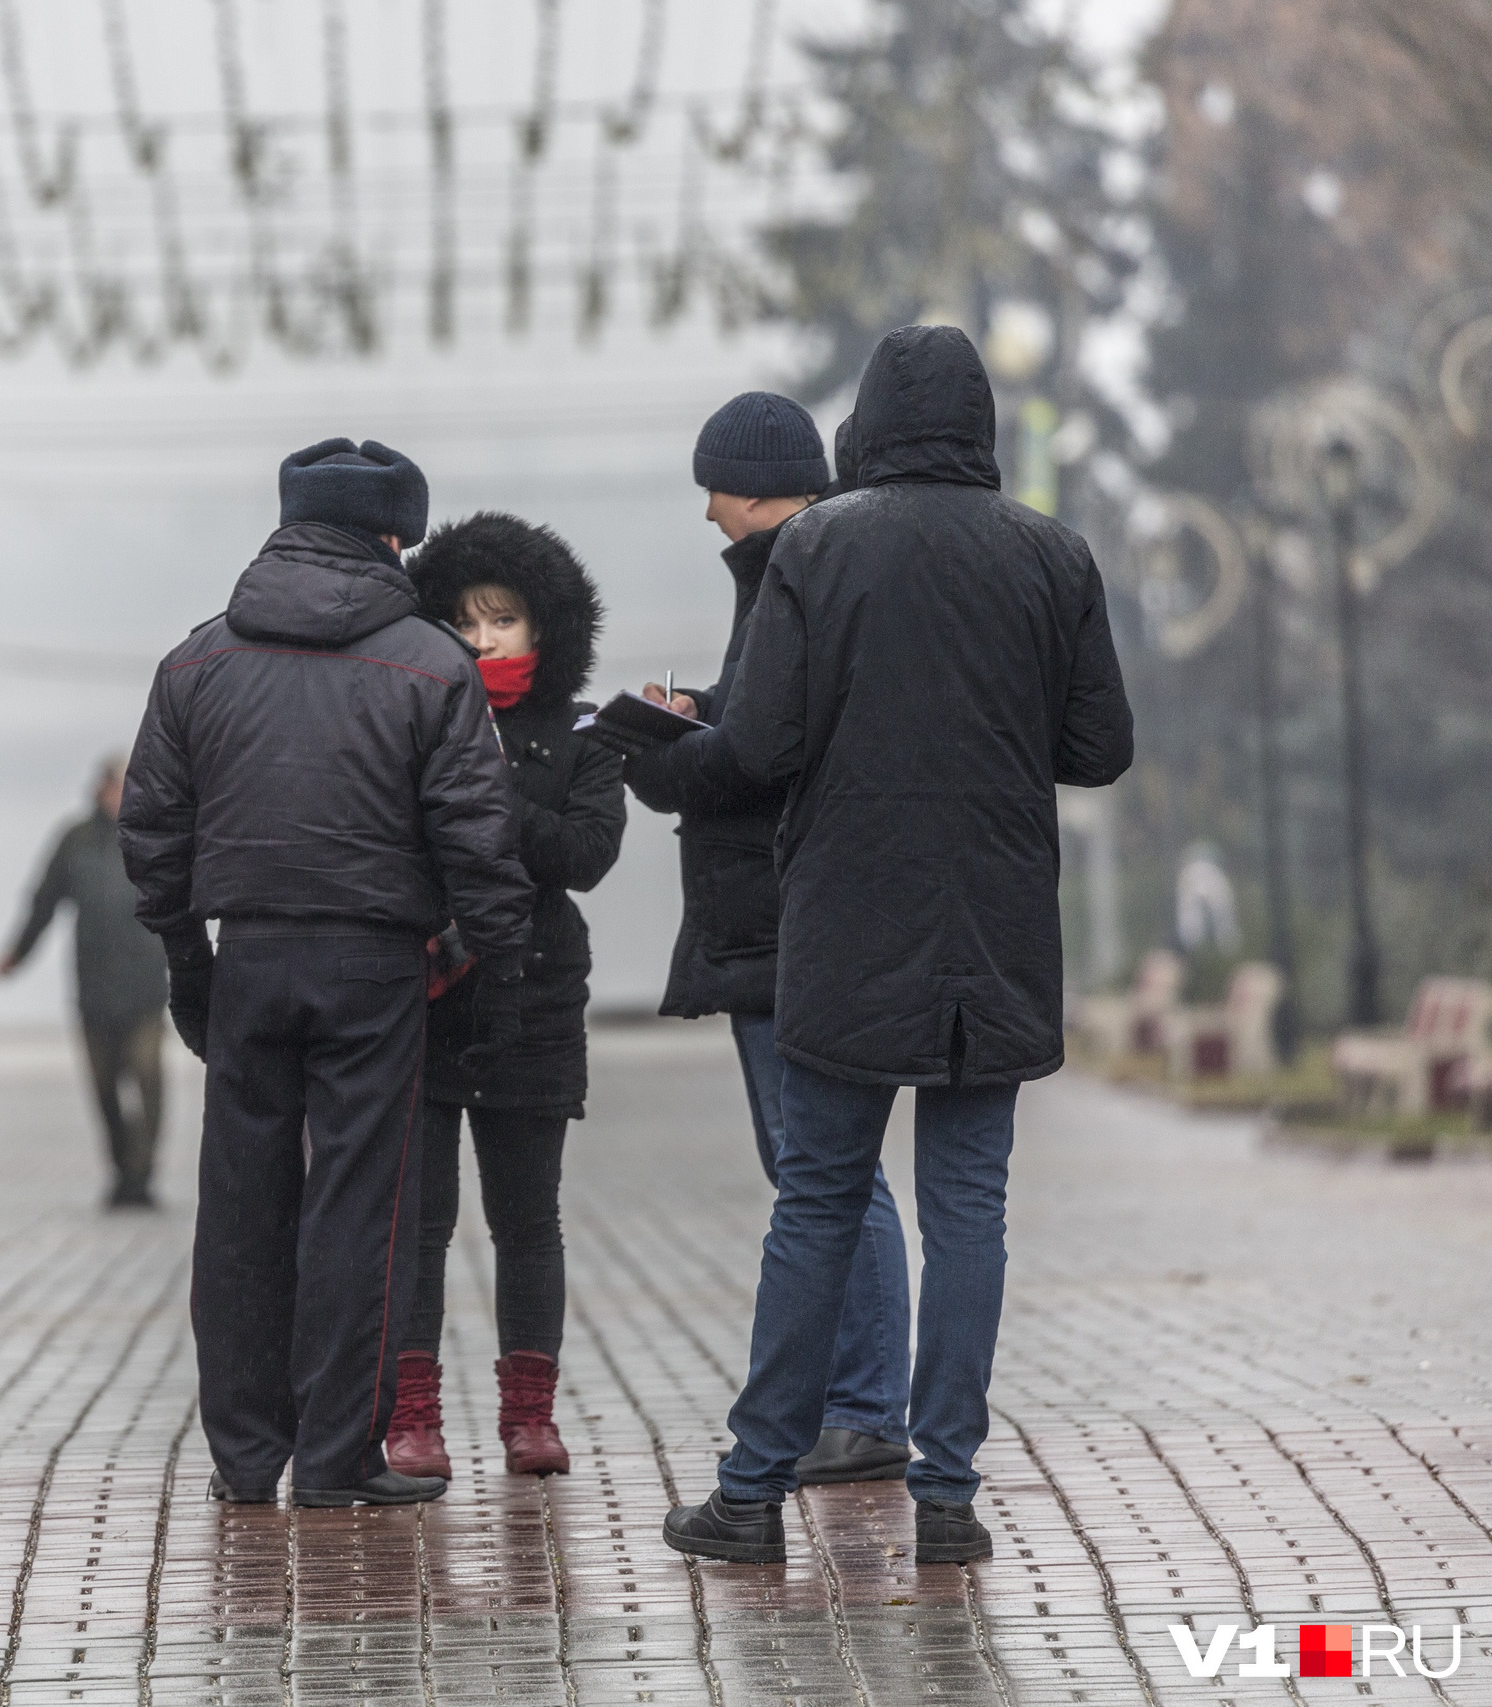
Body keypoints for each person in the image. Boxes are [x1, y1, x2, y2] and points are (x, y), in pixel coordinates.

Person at [655, 326, 1134, 1567]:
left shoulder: (818, 547)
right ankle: (948, 1497)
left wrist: (659, 752)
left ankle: (752, 1496)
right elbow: (1096, 750)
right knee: (968, 1207)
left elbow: (757, 746)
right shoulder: (1051, 555)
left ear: (868, 422)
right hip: (996, 929)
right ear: (976, 425)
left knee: (815, 1201)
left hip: (846, 926)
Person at [121, 437, 534, 1509]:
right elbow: (476, 838)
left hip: (247, 954)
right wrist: (492, 958)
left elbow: (154, 827)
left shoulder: (197, 661)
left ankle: (245, 1458)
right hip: (374, 967)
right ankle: (337, 1458)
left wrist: (184, 956)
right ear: (395, 537)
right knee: (359, 1209)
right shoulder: (432, 666)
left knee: (239, 1206)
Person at [591, 391, 919, 1492]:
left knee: (824, 1173)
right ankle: (854, 1402)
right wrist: (699, 708)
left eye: (711, 493)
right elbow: (775, 716)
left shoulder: (792, 569)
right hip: (785, 917)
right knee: (823, 1171)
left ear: (745, 484)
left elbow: (763, 752)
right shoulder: (810, 565)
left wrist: (655, 753)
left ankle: (864, 1410)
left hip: (780, 919)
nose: (706, 518)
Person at [386, 514, 626, 1481]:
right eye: (465, 620)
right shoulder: (407, 714)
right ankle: (413, 1418)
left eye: (504, 620)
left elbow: (589, 853)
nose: (482, 640)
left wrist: (487, 797)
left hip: (534, 998)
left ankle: (530, 1416)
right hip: (428, 993)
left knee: (529, 1218)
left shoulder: (583, 733)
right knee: (420, 1222)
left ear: (545, 628)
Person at [0, 756, 171, 1209]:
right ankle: (121, 1169)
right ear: (99, 790)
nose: (119, 796)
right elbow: (44, 901)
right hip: (94, 991)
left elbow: (182, 898)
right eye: (113, 787)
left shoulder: (157, 836)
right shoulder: (75, 841)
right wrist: (17, 954)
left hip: (146, 988)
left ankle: (141, 1172)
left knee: (148, 1076)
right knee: (104, 1087)